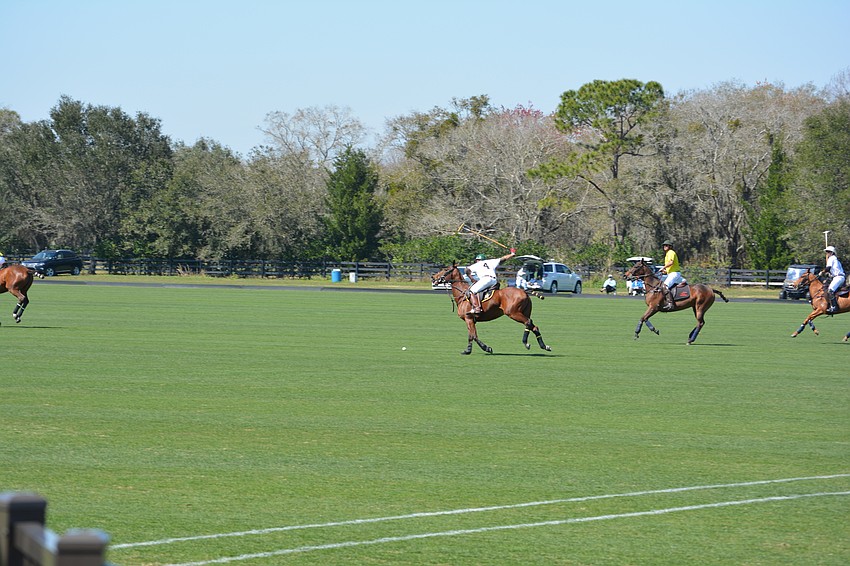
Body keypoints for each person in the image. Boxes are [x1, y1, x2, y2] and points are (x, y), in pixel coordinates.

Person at [465, 248, 516, 314]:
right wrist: (512, 254)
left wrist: (471, 278)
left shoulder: (476, 265)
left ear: (477, 260)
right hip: (494, 281)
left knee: (471, 291)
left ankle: (476, 308)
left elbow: (466, 270)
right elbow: (503, 259)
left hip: (486, 280)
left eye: (477, 260)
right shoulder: (491, 261)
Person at [659, 240, 683, 310]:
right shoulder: (667, 254)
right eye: (664, 245)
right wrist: (665, 271)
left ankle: (670, 303)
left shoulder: (671, 252)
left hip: (674, 273)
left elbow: (671, 262)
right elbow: (670, 267)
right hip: (671, 273)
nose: (664, 246)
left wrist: (663, 267)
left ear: (670, 246)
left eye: (666, 245)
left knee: (665, 286)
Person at [821, 245, 845, 313]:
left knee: (830, 291)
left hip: (838, 277)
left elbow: (828, 268)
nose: (827, 253)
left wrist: (822, 272)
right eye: (826, 252)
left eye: (828, 252)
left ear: (832, 253)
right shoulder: (836, 260)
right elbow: (834, 270)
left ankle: (834, 307)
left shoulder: (831, 258)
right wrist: (829, 274)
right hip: (839, 277)